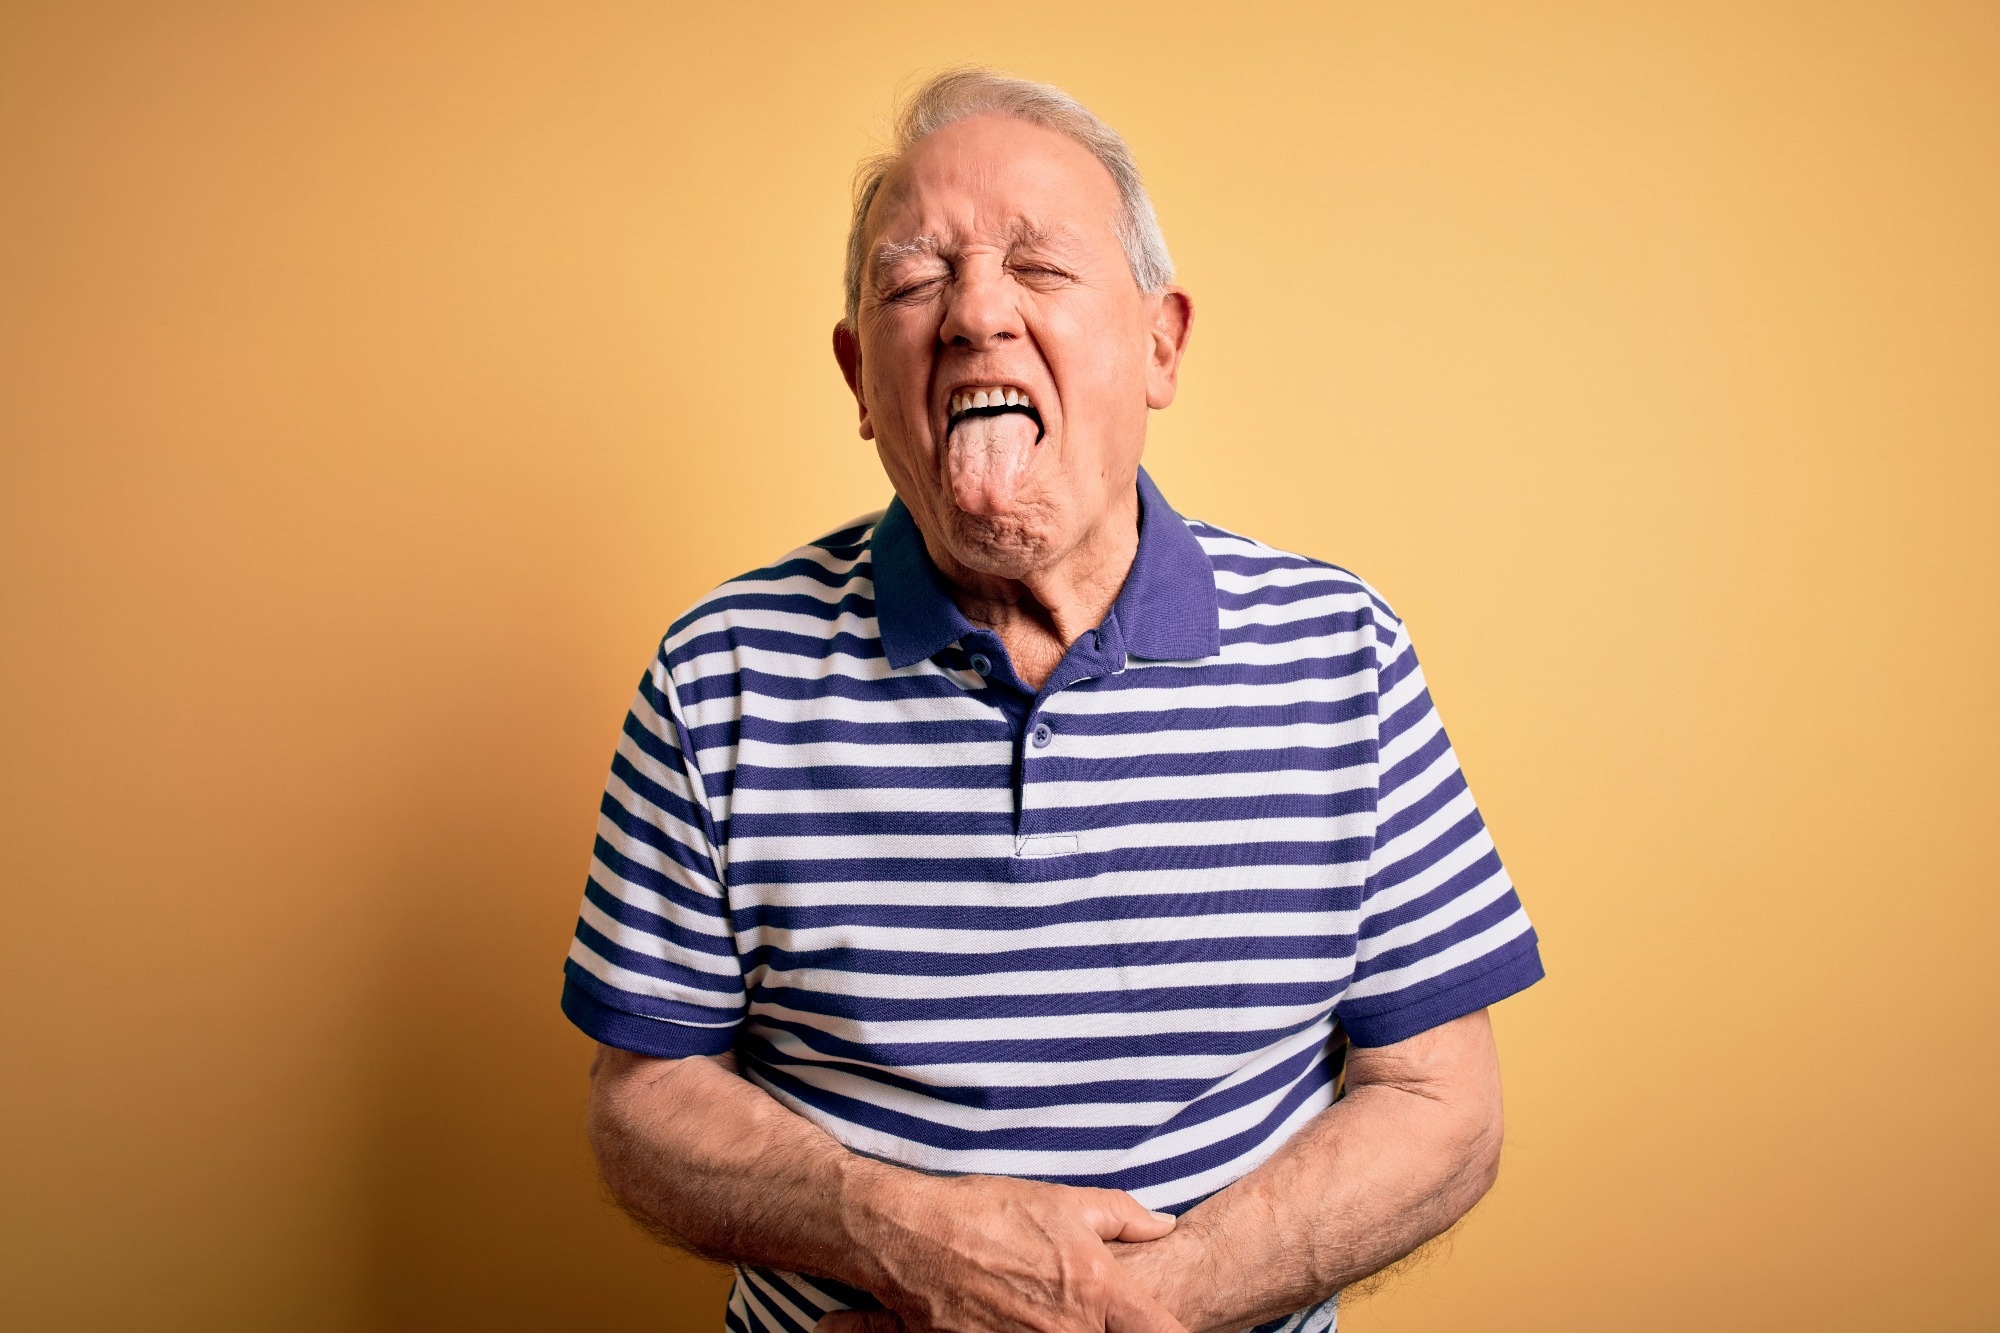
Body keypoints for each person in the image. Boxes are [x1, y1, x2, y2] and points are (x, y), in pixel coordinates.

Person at [561, 68, 1543, 1333]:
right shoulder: (720, 671)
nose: (974, 313)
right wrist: (892, 1231)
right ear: (859, 378)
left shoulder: (1340, 652)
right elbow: (643, 1098)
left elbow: (1438, 1104)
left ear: (1159, 344)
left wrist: (1110, 1309)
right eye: (913, 282)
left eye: (1038, 266)